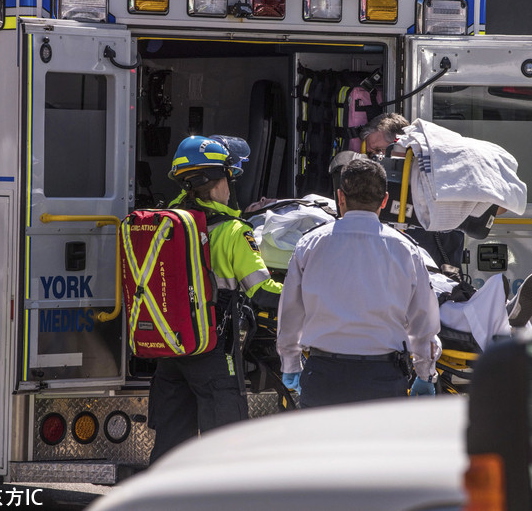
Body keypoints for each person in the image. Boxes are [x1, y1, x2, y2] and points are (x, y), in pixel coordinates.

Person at [148, 135, 283, 463]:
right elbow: (263, 293)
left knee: (170, 449)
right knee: (224, 448)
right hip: (213, 349)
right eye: (228, 178)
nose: (230, 186)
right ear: (217, 180)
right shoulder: (234, 232)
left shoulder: (166, 222)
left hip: (172, 348)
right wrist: (309, 292)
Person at [276, 158, 441, 407]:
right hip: (383, 379)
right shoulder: (406, 249)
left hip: (324, 377)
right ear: (384, 200)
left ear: (340, 197)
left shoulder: (310, 244)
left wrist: (290, 364)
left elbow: (291, 312)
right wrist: (425, 373)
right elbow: (423, 322)